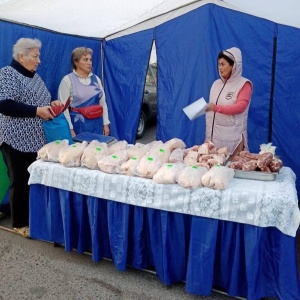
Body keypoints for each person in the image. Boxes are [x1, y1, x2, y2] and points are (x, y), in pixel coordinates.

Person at [0, 38, 63, 237]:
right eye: (35, 56)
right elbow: (4, 104)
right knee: (19, 180)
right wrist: (36, 111)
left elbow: (42, 99)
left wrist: (52, 102)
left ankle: (33, 217)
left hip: (35, 138)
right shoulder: (6, 74)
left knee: (32, 179)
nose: (39, 61)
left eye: (38, 56)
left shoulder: (34, 76)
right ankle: (19, 224)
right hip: (14, 138)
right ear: (21, 56)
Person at [205, 47, 253, 157]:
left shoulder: (244, 84)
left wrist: (216, 108)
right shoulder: (216, 84)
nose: (220, 68)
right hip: (214, 140)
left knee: (232, 170)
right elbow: (211, 113)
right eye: (219, 64)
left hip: (233, 140)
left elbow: (240, 107)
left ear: (233, 66)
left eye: (223, 64)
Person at [58, 47, 110, 137]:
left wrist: (105, 123)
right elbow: (63, 109)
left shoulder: (96, 79)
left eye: (90, 59)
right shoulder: (67, 80)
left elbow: (103, 103)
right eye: (85, 60)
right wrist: (70, 129)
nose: (89, 62)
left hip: (96, 125)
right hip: (78, 126)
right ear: (76, 62)